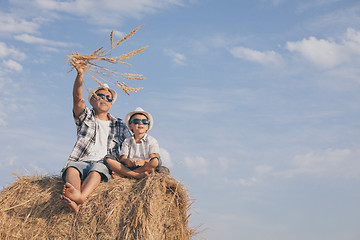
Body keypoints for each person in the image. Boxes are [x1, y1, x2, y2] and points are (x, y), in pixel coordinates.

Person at [59, 54, 131, 213]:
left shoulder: (119, 124)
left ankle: (80, 199)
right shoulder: (86, 117)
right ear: (92, 100)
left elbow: (131, 144)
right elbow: (77, 98)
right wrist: (80, 74)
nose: (104, 99)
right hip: (82, 159)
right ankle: (75, 195)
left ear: (111, 104)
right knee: (71, 169)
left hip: (104, 163)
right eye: (100, 96)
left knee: (97, 169)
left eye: (108, 97)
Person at [105, 107, 162, 179]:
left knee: (155, 161)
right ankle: (135, 174)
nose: (140, 123)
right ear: (130, 126)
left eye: (144, 121)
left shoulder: (151, 140)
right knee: (108, 159)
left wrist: (144, 162)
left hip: (145, 166)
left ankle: (125, 175)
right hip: (130, 167)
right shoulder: (127, 141)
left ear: (148, 126)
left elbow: (152, 157)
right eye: (136, 121)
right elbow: (123, 158)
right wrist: (127, 161)